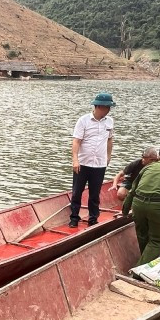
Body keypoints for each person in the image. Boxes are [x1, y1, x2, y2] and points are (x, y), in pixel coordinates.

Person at [69, 92, 116, 227]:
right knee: (77, 192)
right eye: (108, 107)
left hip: (99, 164)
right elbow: (76, 141)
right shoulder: (83, 120)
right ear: (100, 106)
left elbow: (109, 140)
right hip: (83, 162)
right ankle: (74, 218)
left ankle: (93, 218)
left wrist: (108, 156)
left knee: (95, 194)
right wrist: (75, 160)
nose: (109, 110)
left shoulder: (110, 121)